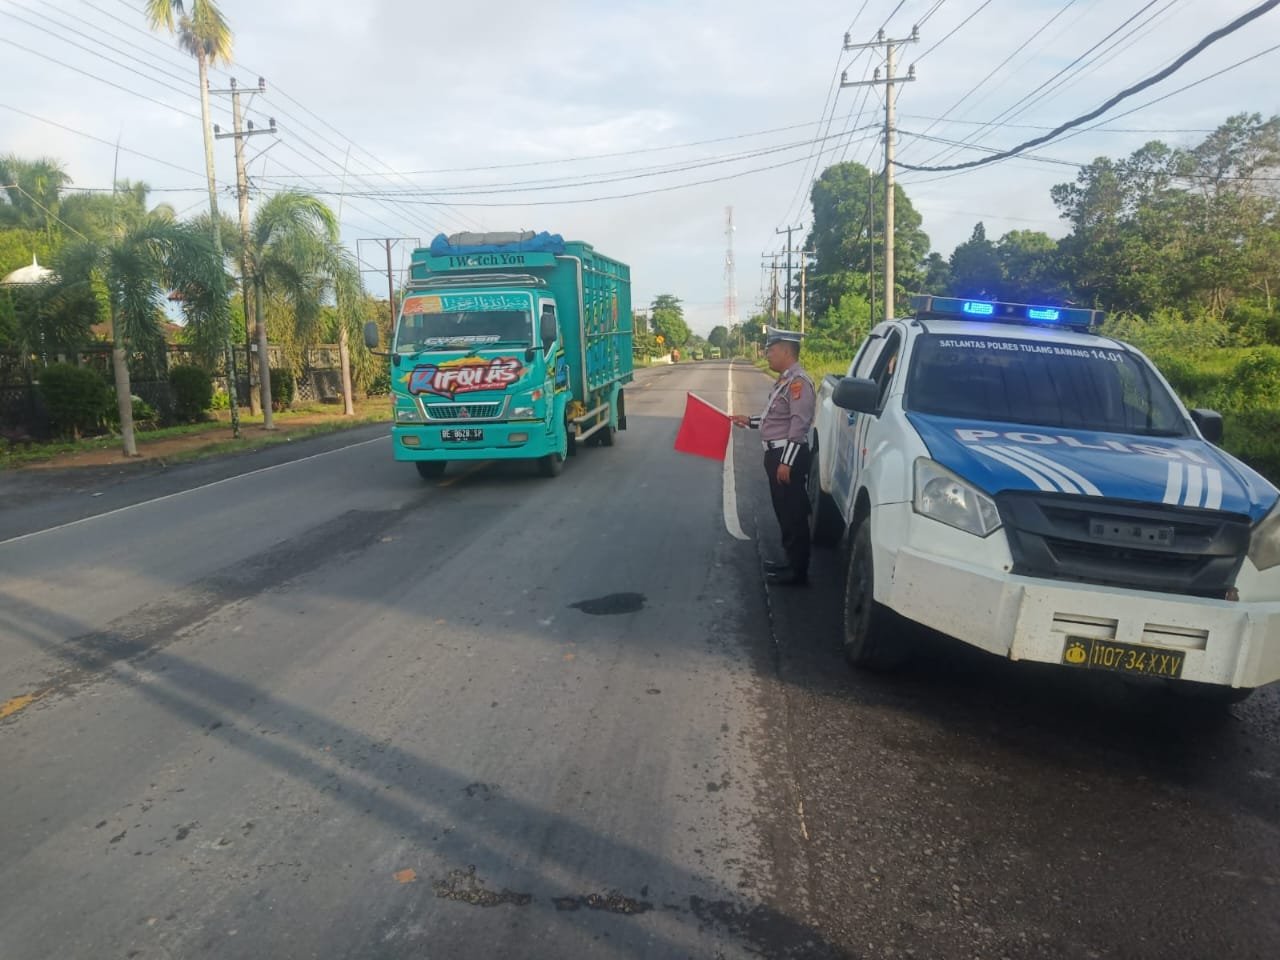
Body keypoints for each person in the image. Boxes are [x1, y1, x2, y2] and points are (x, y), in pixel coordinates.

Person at [732, 326, 816, 586]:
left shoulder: (799, 382)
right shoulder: (784, 381)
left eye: (772, 350)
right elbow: (774, 418)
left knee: (793, 514)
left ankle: (798, 572)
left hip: (785, 456)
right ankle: (789, 563)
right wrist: (749, 420)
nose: (767, 354)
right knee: (784, 513)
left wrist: (786, 463)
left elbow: (798, 426)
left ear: (787, 352)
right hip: (777, 454)